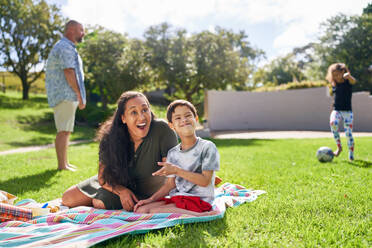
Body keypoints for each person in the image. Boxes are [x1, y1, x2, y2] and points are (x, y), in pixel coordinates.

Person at [61, 91, 178, 211]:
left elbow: (171, 179)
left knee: (100, 202)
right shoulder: (111, 136)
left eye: (145, 110)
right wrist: (121, 191)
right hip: (116, 182)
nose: (141, 117)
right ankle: (105, 194)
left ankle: (102, 196)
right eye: (133, 112)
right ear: (123, 118)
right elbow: (103, 178)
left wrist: (151, 200)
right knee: (67, 199)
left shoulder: (162, 130)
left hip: (146, 192)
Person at [134, 100, 220, 216]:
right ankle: (184, 212)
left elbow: (205, 181)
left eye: (188, 115)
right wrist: (151, 200)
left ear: (196, 119)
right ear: (171, 126)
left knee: (154, 212)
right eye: (178, 118)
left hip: (200, 200)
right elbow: (170, 184)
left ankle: (200, 216)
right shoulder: (173, 153)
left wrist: (177, 170)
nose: (184, 120)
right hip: (179, 198)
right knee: (142, 210)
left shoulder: (207, 147)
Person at [45, 20, 86, 171]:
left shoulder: (67, 47)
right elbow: (69, 72)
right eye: (81, 30)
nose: (83, 33)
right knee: (63, 130)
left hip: (66, 95)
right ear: (71, 30)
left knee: (66, 130)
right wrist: (79, 95)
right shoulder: (65, 47)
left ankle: (65, 164)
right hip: (65, 95)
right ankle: (62, 166)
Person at [325, 63, 357, 161]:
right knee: (333, 123)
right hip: (337, 110)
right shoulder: (335, 84)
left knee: (348, 134)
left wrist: (349, 76)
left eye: (337, 74)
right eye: (334, 75)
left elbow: (354, 81)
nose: (336, 77)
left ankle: (351, 153)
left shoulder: (348, 82)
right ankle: (339, 147)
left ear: (343, 72)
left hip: (348, 112)